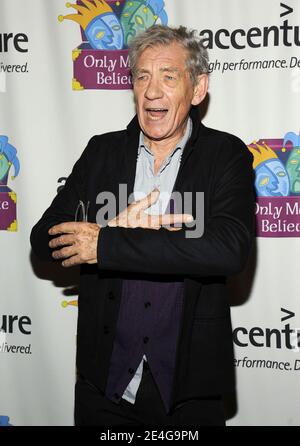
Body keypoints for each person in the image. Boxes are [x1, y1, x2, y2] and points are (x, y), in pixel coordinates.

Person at [30, 25, 255, 426]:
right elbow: (43, 240)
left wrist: (108, 242)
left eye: (169, 77)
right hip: (104, 386)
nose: (153, 91)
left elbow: (229, 248)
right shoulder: (101, 151)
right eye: (142, 77)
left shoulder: (226, 155)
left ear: (198, 88)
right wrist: (109, 224)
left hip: (189, 390)